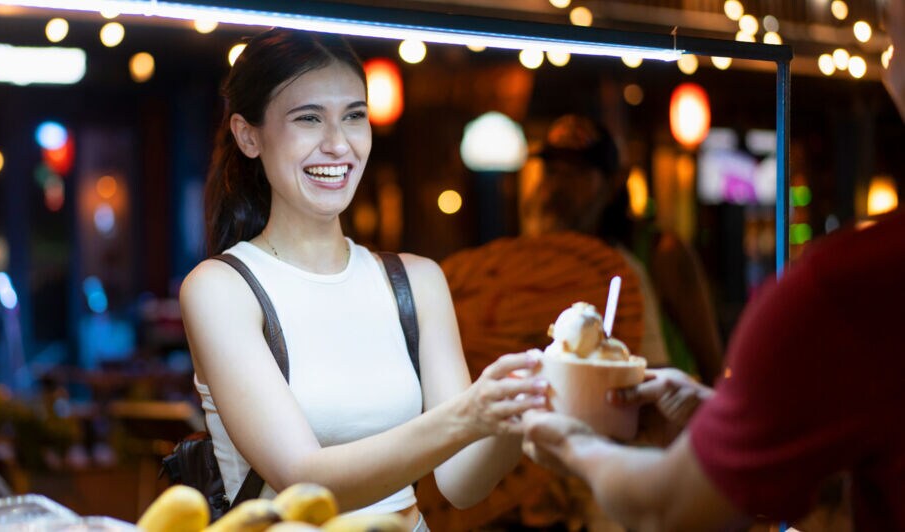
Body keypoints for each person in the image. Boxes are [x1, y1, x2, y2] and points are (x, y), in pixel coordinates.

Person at [519, 2, 905, 528]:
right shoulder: (520, 262)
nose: (885, 68)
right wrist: (724, 418)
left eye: (891, 39)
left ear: (608, 183)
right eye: (550, 170)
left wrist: (574, 444)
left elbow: (666, 509)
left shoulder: (848, 286)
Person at [179, 28, 546, 531]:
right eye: (308, 119)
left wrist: (514, 410)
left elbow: (461, 483)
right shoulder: (221, 289)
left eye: (354, 116)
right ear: (249, 135)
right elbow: (303, 479)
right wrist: (467, 414)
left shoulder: (417, 282)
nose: (338, 144)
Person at [523, 114, 725, 383]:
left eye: (576, 173)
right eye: (552, 171)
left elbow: (713, 366)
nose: (557, 187)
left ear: (615, 182)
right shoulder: (532, 262)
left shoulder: (659, 254)